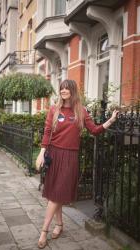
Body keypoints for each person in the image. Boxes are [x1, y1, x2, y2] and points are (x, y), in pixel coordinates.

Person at [36, 79, 118, 249]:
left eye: (67, 88)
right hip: (54, 154)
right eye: (62, 88)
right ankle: (59, 225)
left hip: (69, 157)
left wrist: (109, 121)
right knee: (53, 194)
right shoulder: (54, 109)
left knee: (57, 193)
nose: (64, 90)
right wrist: (42, 152)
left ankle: (44, 231)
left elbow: (94, 130)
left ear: (73, 91)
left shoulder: (80, 111)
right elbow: (47, 131)